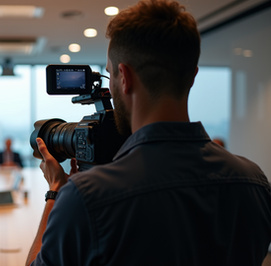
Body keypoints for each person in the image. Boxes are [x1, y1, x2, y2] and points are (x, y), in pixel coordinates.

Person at [26, 1, 271, 266]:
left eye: (110, 74)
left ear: (124, 77)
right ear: (192, 76)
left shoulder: (86, 197)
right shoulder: (254, 182)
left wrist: (55, 192)